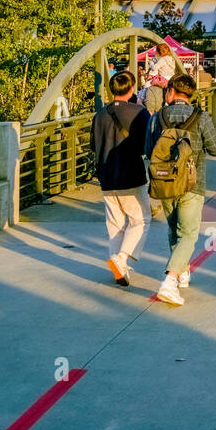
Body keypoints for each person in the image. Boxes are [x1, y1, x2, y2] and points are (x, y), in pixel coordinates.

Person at [145, 72, 216, 308]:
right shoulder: (201, 117)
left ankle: (183, 271)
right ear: (190, 95)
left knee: (173, 228)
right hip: (193, 182)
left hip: (164, 182)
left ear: (170, 92)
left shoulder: (157, 118)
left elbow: (148, 150)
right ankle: (170, 280)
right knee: (188, 233)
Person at [91, 69, 151, 287]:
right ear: (132, 88)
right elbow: (148, 143)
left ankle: (119, 269)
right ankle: (121, 258)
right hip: (131, 174)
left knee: (115, 225)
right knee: (141, 219)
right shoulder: (139, 113)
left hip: (106, 177)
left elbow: (93, 145)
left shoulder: (99, 115)